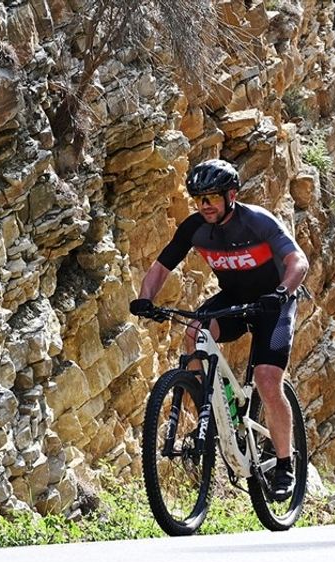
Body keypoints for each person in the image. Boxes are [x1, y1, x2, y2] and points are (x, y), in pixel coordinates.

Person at [129, 158, 310, 501]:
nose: (205, 205)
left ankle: (285, 464)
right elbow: (160, 267)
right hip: (235, 300)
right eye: (199, 199)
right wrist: (145, 299)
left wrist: (282, 292)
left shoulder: (256, 221)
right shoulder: (195, 227)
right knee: (193, 330)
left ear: (231, 195)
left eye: (212, 197)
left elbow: (297, 261)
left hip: (274, 301)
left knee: (267, 380)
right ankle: (208, 416)